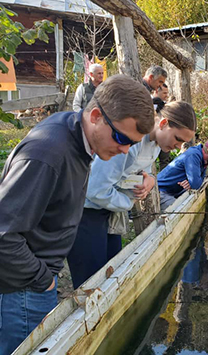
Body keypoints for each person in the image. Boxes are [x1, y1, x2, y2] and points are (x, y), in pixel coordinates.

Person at [0, 74, 155, 355]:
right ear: (96, 115)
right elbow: (3, 234)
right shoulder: (48, 153)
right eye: (121, 138)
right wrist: (42, 279)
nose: (124, 149)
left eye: (132, 144)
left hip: (37, 277)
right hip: (22, 287)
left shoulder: (78, 137)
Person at [67, 101, 197, 289]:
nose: (178, 146)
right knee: (91, 281)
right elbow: (95, 189)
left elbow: (141, 169)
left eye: (183, 143)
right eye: (177, 139)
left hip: (110, 210)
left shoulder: (156, 144)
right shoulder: (132, 141)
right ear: (163, 124)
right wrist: (128, 202)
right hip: (86, 211)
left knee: (111, 271)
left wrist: (150, 179)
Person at [157, 139, 208, 210]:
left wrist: (192, 182)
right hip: (162, 191)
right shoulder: (193, 155)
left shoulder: (205, 159)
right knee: (179, 212)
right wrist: (193, 182)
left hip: (175, 191)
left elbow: (200, 179)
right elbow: (196, 185)